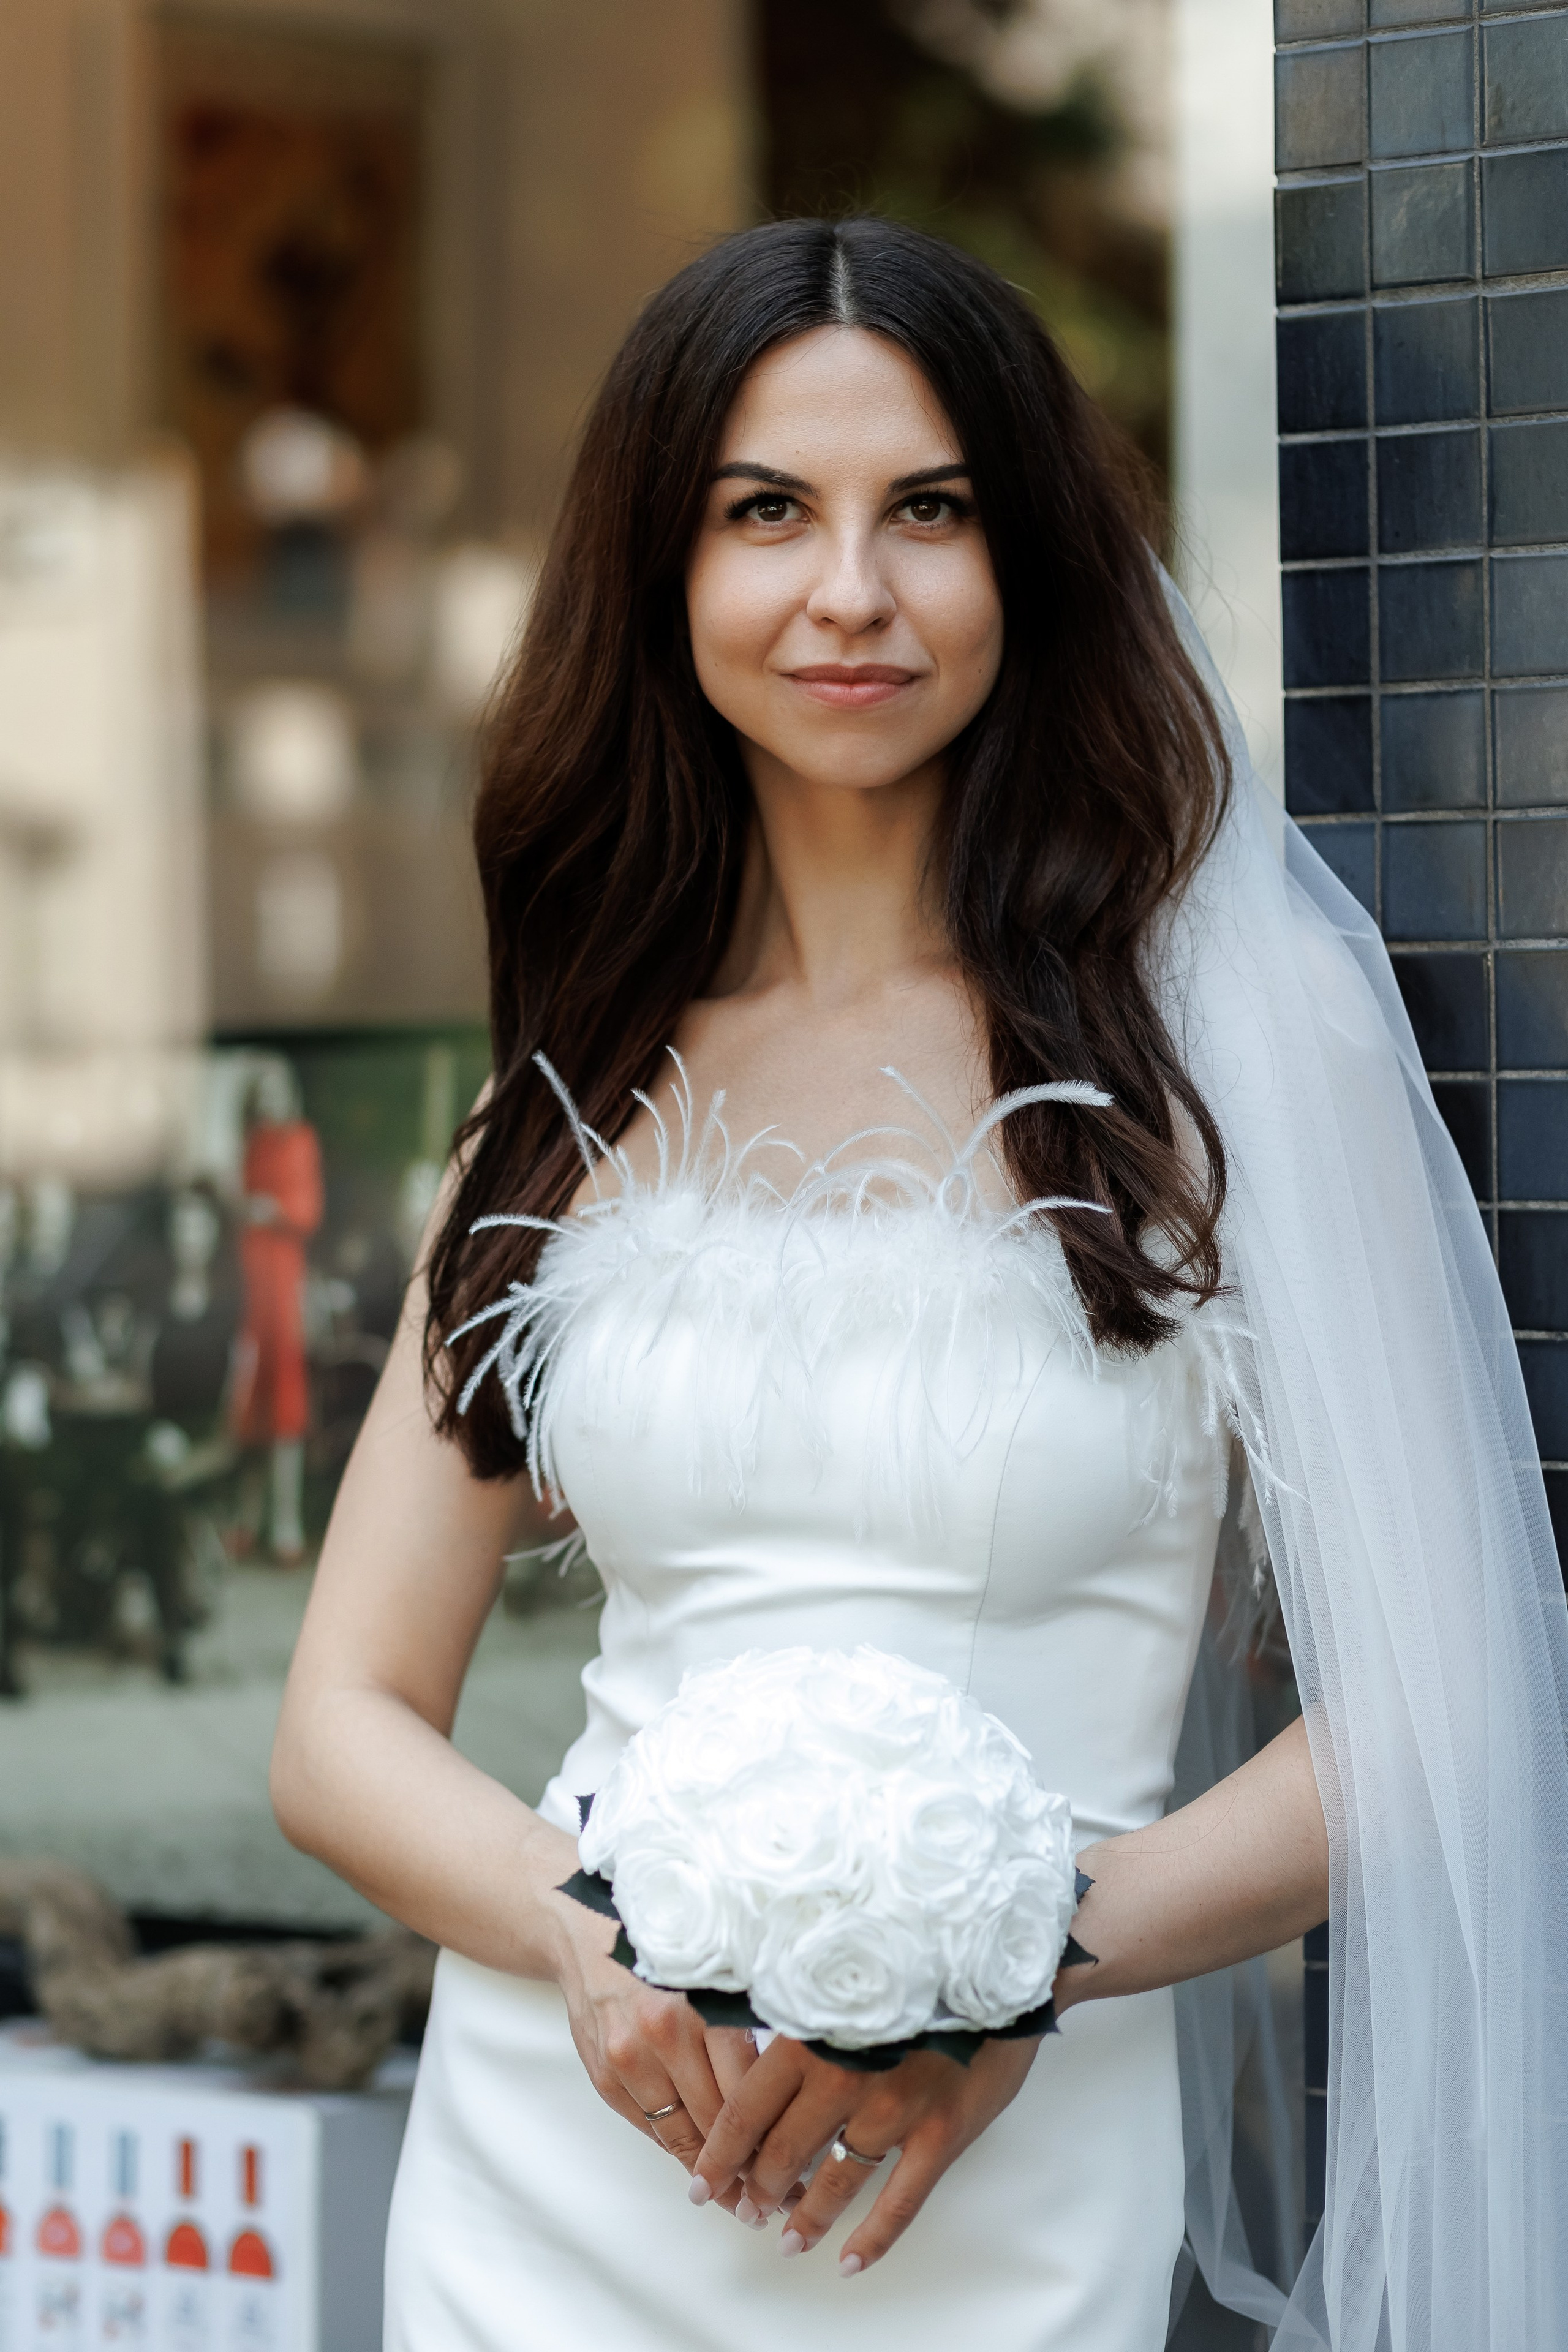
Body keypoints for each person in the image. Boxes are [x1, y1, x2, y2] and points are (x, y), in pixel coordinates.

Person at [271, 219, 1568, 2351]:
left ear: (1028, 564)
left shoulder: (1226, 1059)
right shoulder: (583, 1079)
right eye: (765, 511)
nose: (849, 589)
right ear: (664, 575)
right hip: (556, 2176)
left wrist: (1018, 1958)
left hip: (1005, 2175)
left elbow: (1448, 1714)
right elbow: (340, 1726)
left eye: (931, 512)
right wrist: (583, 1948)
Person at [229, 1062, 322, 1564]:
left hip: (283, 1283)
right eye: (261, 1092)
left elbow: (308, 1212)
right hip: (252, 1285)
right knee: (250, 1407)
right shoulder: (253, 1143)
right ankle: (247, 1521)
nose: (268, 1101)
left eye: (274, 1091)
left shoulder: (300, 1141)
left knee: (286, 1407)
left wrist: (274, 1211)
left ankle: (286, 1525)